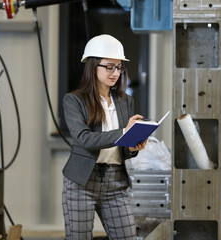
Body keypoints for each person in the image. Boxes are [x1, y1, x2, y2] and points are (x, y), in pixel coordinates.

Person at [62, 34, 147, 240]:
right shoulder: (74, 100)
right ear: (93, 66)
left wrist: (132, 147)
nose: (115, 72)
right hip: (82, 181)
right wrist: (124, 132)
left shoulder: (125, 100)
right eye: (109, 67)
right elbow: (84, 139)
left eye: (119, 67)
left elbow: (122, 148)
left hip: (115, 181)